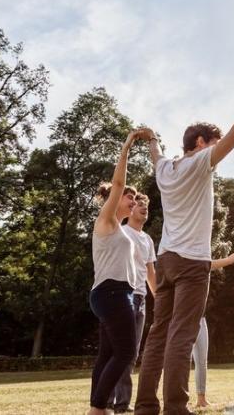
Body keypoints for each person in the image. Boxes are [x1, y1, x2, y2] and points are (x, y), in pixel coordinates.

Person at [135, 77, 234, 415]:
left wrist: (151, 137)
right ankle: (176, 407)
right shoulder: (199, 164)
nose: (217, 151)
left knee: (158, 333)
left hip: (166, 261)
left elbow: (155, 152)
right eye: (213, 144)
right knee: (182, 334)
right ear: (202, 142)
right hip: (192, 263)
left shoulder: (165, 169)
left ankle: (146, 405)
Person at [88, 129, 150, 415]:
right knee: (126, 353)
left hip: (111, 292)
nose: (133, 201)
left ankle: (96, 407)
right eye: (130, 197)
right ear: (116, 199)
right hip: (112, 292)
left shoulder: (120, 229)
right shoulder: (108, 219)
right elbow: (118, 181)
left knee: (108, 354)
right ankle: (99, 408)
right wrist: (126, 146)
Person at [109, 193, 158, 414]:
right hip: (123, 295)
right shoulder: (122, 231)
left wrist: (159, 298)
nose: (144, 207)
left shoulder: (147, 240)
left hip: (141, 299)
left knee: (132, 353)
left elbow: (150, 272)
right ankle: (106, 400)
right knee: (118, 350)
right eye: (140, 204)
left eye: (146, 205)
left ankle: (122, 402)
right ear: (131, 208)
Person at [191, 245, 234, 408]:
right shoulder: (183, 265)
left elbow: (229, 260)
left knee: (202, 361)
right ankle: (177, 399)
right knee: (182, 361)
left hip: (201, 320)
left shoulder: (205, 264)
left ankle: (201, 399)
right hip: (184, 321)